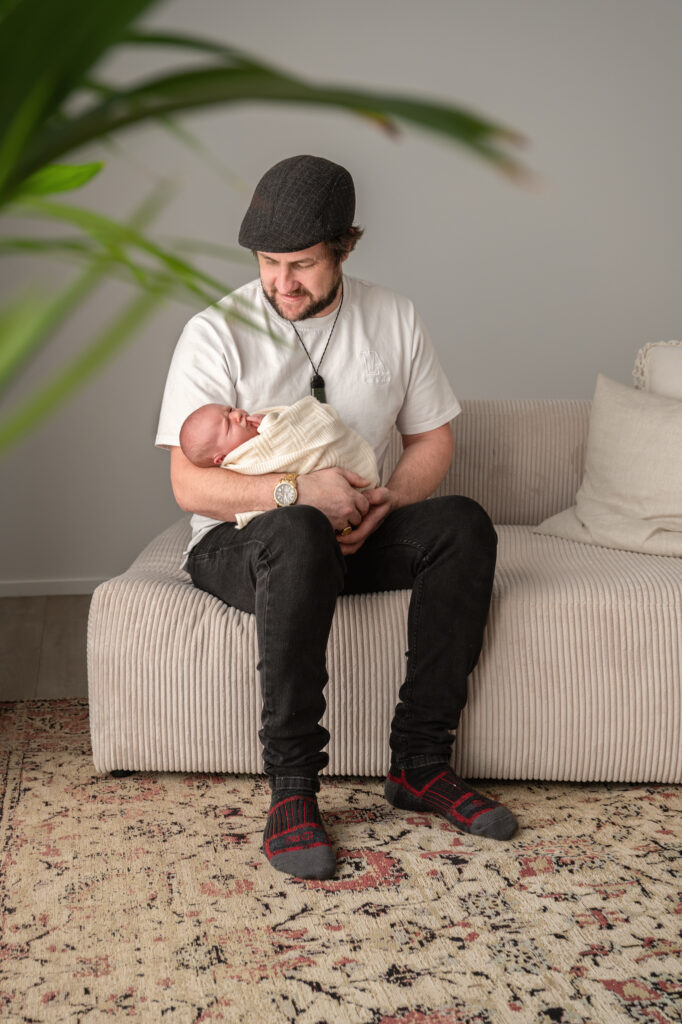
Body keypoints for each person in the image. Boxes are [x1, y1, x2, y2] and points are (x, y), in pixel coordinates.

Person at [156, 154, 518, 881]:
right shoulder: (215, 330)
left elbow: (431, 438)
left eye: (303, 264)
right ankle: (293, 790)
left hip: (355, 533)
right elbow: (187, 486)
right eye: (268, 263)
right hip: (246, 545)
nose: (281, 283)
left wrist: (389, 499)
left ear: (346, 248)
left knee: (464, 523)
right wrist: (297, 494)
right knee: (296, 529)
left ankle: (419, 764)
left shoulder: (394, 316)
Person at [178, 396, 379, 528]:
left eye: (230, 410)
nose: (237, 414)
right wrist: (272, 427)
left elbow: (302, 425)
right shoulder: (243, 460)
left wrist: (272, 423)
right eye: (228, 425)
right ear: (221, 458)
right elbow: (282, 450)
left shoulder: (260, 425)